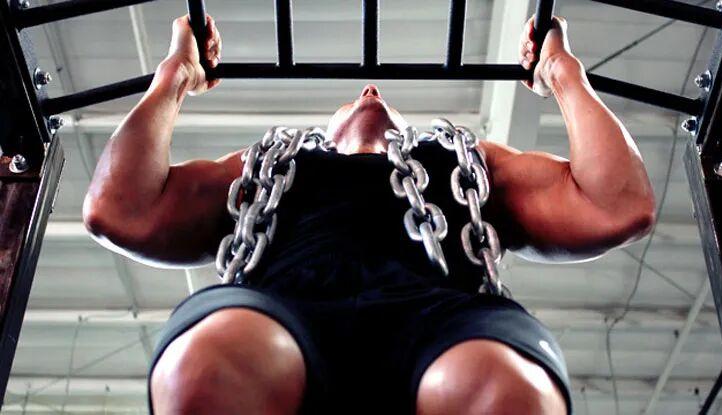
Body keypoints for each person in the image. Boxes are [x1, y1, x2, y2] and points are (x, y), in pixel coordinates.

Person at [83, 12, 655, 415]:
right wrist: (175, 76)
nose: (371, 89)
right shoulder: (271, 164)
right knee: (206, 370)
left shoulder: (466, 161)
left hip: (444, 316)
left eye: (381, 95)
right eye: (358, 94)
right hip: (283, 309)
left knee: (505, 393)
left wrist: (562, 73)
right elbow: (119, 209)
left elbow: (617, 205)